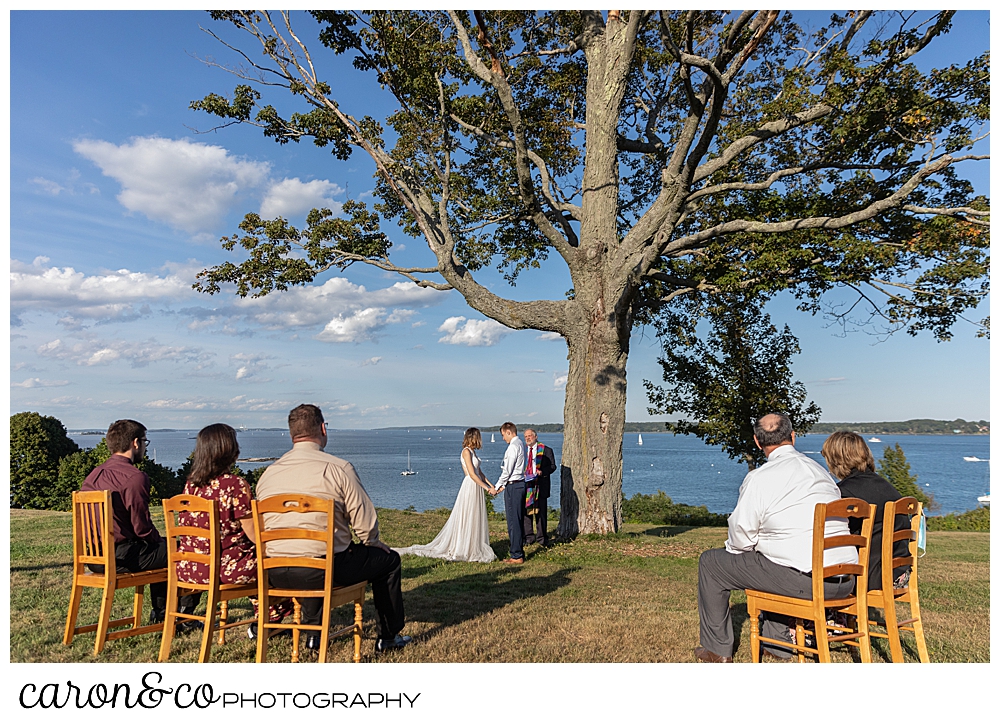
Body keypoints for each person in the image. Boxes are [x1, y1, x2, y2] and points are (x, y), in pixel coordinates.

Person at [694, 413, 857, 662]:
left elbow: (740, 537)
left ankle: (717, 649)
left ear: (758, 443)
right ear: (793, 437)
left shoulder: (760, 478)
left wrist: (753, 545)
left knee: (712, 562)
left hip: (809, 581)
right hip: (845, 581)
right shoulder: (821, 473)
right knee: (775, 559)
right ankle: (776, 644)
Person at [255, 404, 412, 654]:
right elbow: (364, 520)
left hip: (274, 570)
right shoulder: (338, 468)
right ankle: (389, 635)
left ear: (291, 434)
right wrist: (372, 542)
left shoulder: (268, 475)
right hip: (322, 569)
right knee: (388, 561)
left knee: (312, 555)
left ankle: (313, 634)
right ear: (323, 429)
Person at [175, 423, 291, 636]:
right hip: (224, 570)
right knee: (275, 561)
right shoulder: (234, 485)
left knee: (254, 559)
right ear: (229, 450)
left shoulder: (191, 485)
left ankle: (267, 618)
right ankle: (269, 620)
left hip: (190, 568)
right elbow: (255, 534)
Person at [80, 419, 170, 624]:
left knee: (162, 549)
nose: (146, 448)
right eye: (145, 442)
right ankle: (168, 615)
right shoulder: (134, 477)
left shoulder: (94, 474)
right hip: (121, 556)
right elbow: (142, 528)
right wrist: (159, 540)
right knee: (178, 548)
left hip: (95, 557)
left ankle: (162, 613)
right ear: (135, 443)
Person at [821, 431, 911, 590]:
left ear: (836, 459)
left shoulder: (845, 494)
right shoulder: (885, 487)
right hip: (899, 572)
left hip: (872, 576)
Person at [394, 428, 498, 563]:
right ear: (473, 438)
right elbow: (472, 474)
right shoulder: (466, 452)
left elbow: (480, 472)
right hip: (470, 485)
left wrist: (491, 485)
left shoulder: (473, 452)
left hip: (476, 485)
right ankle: (464, 547)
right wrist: (486, 488)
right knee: (468, 514)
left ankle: (473, 544)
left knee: (475, 515)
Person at [494, 421, 527, 564]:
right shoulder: (520, 444)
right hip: (517, 484)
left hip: (514, 486)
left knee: (513, 521)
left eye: (503, 435)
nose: (503, 439)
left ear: (509, 432)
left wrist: (497, 486)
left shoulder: (513, 447)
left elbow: (507, 470)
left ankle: (516, 555)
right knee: (517, 519)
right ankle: (517, 551)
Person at [522, 428, 556, 546]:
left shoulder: (546, 450)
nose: (527, 438)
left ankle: (542, 539)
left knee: (541, 514)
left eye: (530, 436)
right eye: (525, 436)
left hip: (540, 485)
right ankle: (529, 538)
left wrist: (542, 472)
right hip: (526, 485)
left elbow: (552, 466)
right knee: (527, 513)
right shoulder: (522, 451)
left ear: (535, 437)